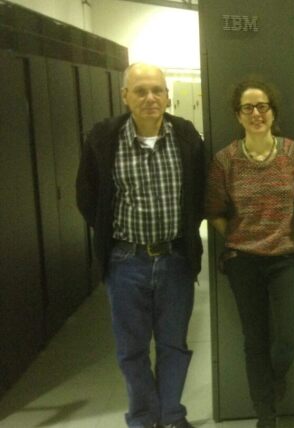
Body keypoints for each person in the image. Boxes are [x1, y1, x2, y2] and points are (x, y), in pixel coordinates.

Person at [76, 63, 205, 428]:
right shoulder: (104, 139)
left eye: (157, 90)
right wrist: (109, 232)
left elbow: (198, 192)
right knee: (131, 351)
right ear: (125, 96)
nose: (150, 98)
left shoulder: (186, 136)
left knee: (173, 347)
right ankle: (143, 418)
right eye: (141, 90)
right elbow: (86, 196)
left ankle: (172, 416)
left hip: (175, 260)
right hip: (125, 261)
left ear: (168, 95)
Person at [205, 77, 294, 428]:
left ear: (273, 111)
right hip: (243, 261)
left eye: (262, 106)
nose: (256, 113)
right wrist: (241, 236)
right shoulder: (226, 160)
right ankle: (265, 414)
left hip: (285, 258)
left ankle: (273, 379)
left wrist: (286, 229)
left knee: (290, 336)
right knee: (255, 339)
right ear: (238, 115)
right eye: (248, 108)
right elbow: (215, 211)